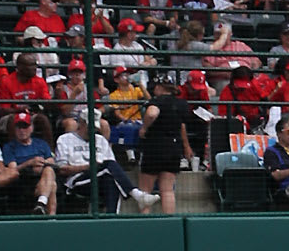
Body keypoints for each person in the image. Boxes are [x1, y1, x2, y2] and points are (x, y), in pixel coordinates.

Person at [54, 112, 153, 212]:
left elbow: (113, 167)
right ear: (82, 123)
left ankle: (112, 218)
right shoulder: (65, 139)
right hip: (77, 181)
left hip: (100, 178)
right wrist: (88, 167)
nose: (94, 130)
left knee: (112, 180)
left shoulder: (100, 140)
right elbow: (62, 169)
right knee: (108, 166)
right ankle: (136, 194)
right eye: (90, 126)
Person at [136, 81, 191, 213]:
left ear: (159, 88)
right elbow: (182, 127)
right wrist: (186, 146)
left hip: (155, 146)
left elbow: (151, 113)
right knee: (167, 189)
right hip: (174, 147)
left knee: (145, 190)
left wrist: (144, 128)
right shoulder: (182, 104)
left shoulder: (157, 101)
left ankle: (145, 222)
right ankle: (169, 222)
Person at [0, 110, 57, 214]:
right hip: (24, 181)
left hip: (42, 177)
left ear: (31, 128)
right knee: (52, 184)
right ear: (14, 129)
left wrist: (40, 163)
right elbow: (12, 170)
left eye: (25, 127)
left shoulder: (41, 143)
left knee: (49, 171)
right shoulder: (9, 147)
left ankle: (42, 204)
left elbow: (51, 161)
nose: (22, 131)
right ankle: (50, 217)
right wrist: (30, 163)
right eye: (19, 127)